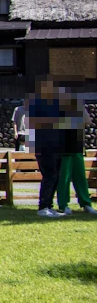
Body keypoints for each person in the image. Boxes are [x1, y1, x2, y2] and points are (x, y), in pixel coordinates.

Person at [28, 78, 66, 217]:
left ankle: (49, 206)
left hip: (57, 146)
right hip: (44, 147)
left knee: (57, 176)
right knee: (50, 176)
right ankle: (43, 207)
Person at [56, 88, 94, 216]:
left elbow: (88, 121)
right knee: (64, 178)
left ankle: (86, 204)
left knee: (80, 177)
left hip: (77, 147)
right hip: (64, 148)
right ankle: (63, 205)